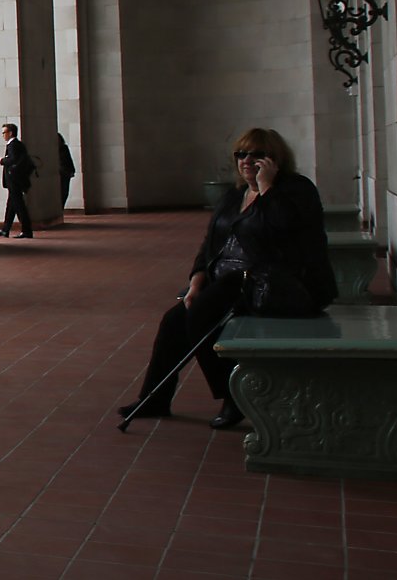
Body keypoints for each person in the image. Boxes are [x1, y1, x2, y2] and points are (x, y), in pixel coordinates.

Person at [118, 126, 335, 429]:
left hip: (277, 284)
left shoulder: (295, 190)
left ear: (275, 159)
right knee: (174, 320)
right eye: (241, 154)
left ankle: (235, 397)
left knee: (201, 317)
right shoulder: (235, 195)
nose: (247, 160)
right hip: (230, 283)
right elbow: (210, 244)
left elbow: (283, 231)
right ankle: (155, 398)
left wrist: (267, 188)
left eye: (257, 154)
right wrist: (196, 280)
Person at [0, 122, 35, 238]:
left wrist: (2, 160)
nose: (3, 135)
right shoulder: (17, 144)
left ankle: (27, 230)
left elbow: (13, 160)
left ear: (11, 133)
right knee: (11, 206)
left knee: (19, 206)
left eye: (4, 132)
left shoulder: (13, 145)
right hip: (16, 180)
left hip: (14, 180)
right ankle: (5, 229)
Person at [59, 138, 78, 211]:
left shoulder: (64, 148)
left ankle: (61, 208)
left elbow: (69, 159)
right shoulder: (54, 149)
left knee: (65, 192)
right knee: (62, 192)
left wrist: (72, 170)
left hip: (65, 172)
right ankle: (60, 209)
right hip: (60, 172)